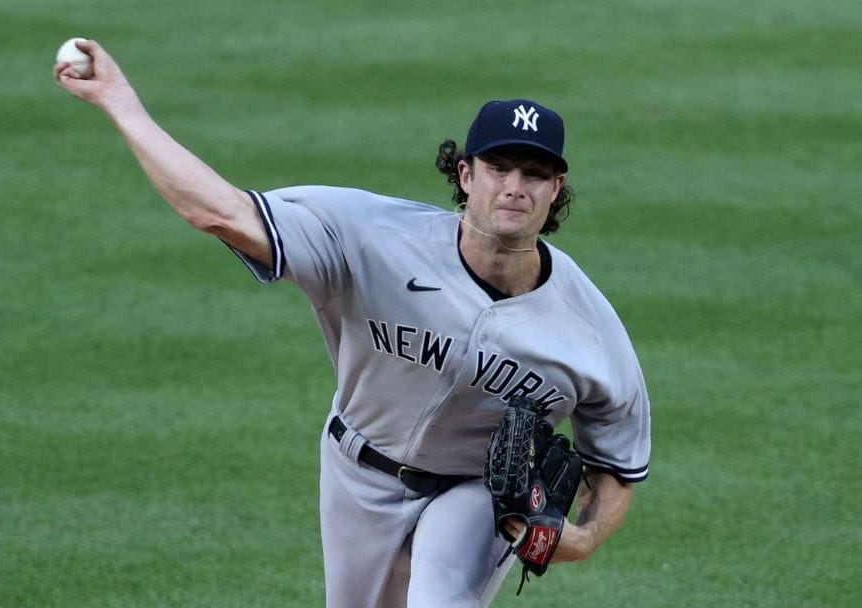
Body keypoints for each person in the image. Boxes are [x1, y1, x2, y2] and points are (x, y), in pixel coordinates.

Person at [54, 39, 651, 608]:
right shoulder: (371, 238)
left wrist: (587, 537)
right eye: (499, 167)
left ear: (556, 190)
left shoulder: (590, 331)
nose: (515, 188)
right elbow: (217, 210)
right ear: (466, 175)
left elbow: (617, 463)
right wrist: (119, 101)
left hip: (477, 493)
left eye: (534, 174)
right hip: (357, 473)